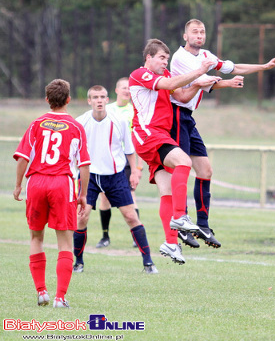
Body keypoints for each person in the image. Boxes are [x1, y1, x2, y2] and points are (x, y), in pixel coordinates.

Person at [170, 18, 275, 248]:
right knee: (182, 169)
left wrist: (264, 67)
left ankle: (202, 225)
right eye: (194, 32)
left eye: (202, 31)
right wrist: (228, 83)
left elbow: (234, 68)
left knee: (205, 170)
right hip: (175, 114)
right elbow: (203, 81)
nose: (199, 35)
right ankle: (181, 223)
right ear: (185, 36)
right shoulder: (179, 57)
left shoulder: (206, 56)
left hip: (188, 118)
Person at [129, 38, 219, 264]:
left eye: (167, 59)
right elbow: (170, 86)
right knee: (184, 161)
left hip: (161, 135)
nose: (165, 63)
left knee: (166, 190)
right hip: (148, 133)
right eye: (161, 58)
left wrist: (202, 82)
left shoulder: (166, 77)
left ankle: (170, 243)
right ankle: (180, 217)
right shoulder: (140, 74)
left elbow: (182, 96)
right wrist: (199, 71)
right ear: (148, 58)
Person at [13, 79, 91, 308]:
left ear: (47, 100)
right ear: (68, 99)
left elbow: (23, 157)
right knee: (65, 242)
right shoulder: (76, 127)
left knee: (36, 237)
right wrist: (83, 194)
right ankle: (60, 297)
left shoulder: (37, 123)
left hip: (36, 182)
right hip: (62, 184)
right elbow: (84, 164)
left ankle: (41, 292)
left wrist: (18, 185)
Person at [73, 85, 158, 274]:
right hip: (90, 177)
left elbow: (129, 149)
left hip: (116, 175)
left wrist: (135, 172)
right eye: (95, 97)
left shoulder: (118, 120)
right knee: (82, 217)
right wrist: (73, 175)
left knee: (131, 216)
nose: (99, 100)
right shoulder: (80, 123)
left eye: (103, 96)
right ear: (89, 101)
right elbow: (74, 153)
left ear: (107, 98)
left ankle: (148, 263)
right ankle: (78, 262)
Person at [96, 77, 143, 249]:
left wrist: (138, 166)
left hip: (127, 159)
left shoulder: (134, 111)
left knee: (130, 197)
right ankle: (105, 236)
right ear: (116, 90)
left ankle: (135, 236)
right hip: (107, 158)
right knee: (105, 198)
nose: (127, 91)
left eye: (129, 88)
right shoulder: (107, 109)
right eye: (124, 87)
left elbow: (138, 140)